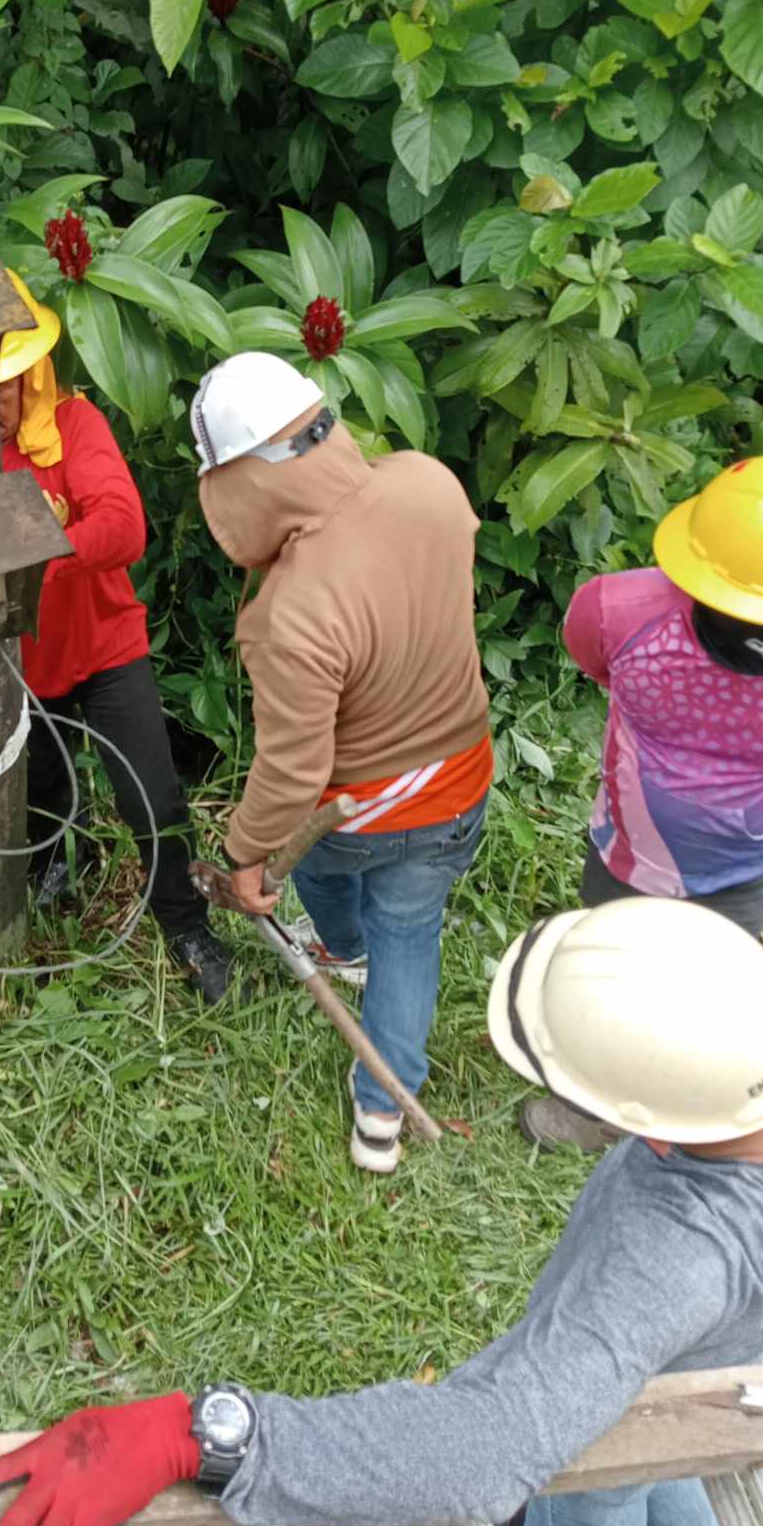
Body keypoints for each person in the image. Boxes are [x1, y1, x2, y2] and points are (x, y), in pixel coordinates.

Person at [0, 895, 763, 1526]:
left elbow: (486, 1450)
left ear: (649, 1132)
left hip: (605, 1424)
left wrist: (206, 1434)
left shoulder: (665, 1257)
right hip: (725, 1361)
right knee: (693, 1460)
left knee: (600, 1501)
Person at [525, 454, 763, 1152]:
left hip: (699, 856)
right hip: (663, 849)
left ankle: (649, 1101)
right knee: (636, 972)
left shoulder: (623, 610)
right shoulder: (627, 614)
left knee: (665, 981)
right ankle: (609, 1103)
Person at [188, 351, 489, 1170]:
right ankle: (381, 1116)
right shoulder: (429, 481)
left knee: (316, 873)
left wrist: (247, 857)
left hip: (353, 815)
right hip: (460, 782)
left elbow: (291, 775)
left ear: (239, 485)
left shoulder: (289, 613)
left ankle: (342, 947)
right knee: (412, 936)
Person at [0, 271, 232, 1003]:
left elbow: (125, 526)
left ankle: (186, 925)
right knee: (39, 788)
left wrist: (38, 554)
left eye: (4, 385)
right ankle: (63, 865)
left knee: (151, 795)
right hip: (20, 666)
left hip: (103, 647)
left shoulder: (73, 427)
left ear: (34, 375)